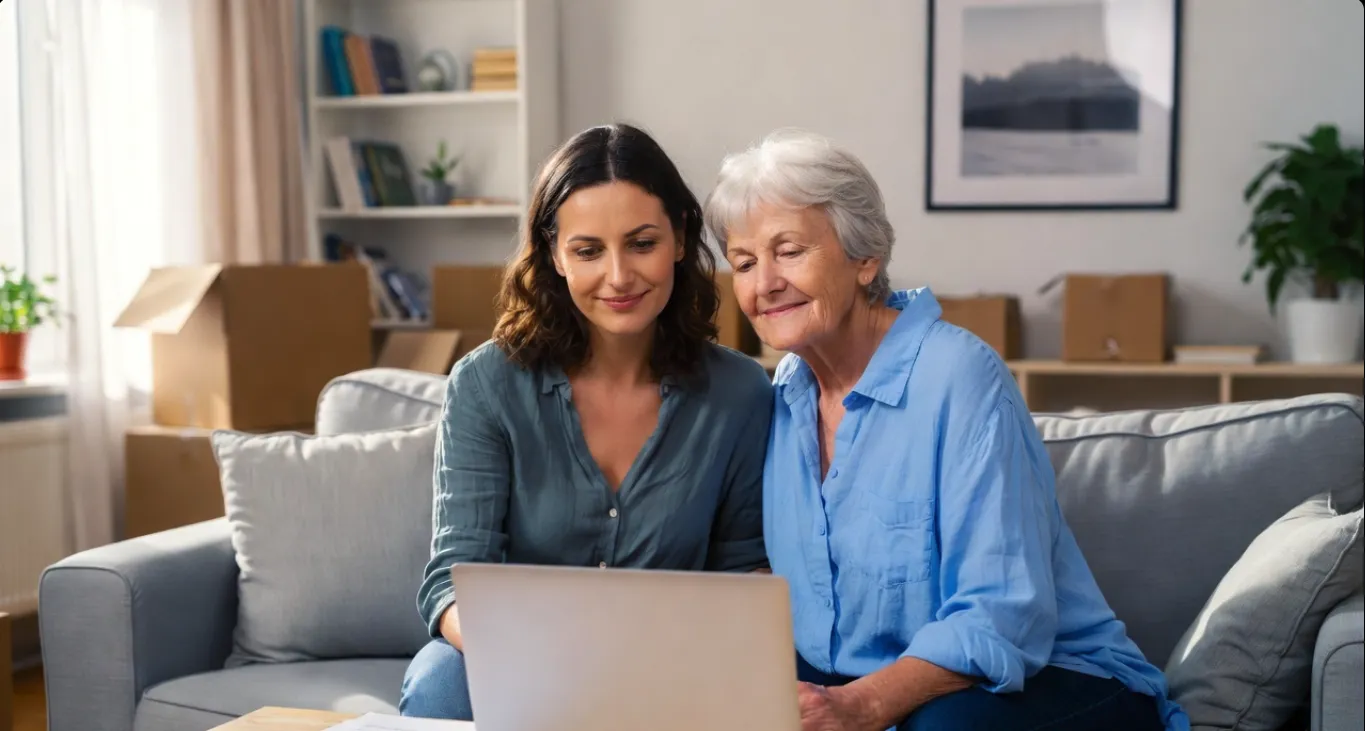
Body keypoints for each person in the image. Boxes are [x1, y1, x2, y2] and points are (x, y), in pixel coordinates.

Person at [702, 128, 1191, 731]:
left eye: (790, 250)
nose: (763, 283)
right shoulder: (779, 396)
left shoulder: (960, 376)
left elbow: (1001, 613)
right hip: (862, 684)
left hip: (1049, 679)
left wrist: (859, 706)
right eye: (745, 262)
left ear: (865, 259)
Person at [399, 123, 774, 720]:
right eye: (588, 250)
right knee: (441, 681)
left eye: (642, 243)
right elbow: (451, 577)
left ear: (680, 237)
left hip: (676, 664)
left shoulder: (740, 394)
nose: (619, 276)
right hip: (518, 659)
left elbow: (744, 575)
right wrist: (539, 656)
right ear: (554, 254)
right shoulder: (485, 384)